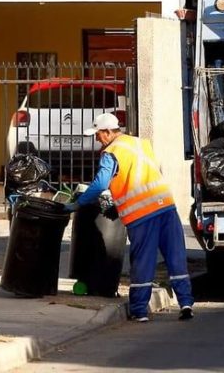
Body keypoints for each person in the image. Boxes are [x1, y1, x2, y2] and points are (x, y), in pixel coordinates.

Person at [64, 113, 194, 322]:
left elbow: (100, 184)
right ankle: (186, 303)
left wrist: (77, 204)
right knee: (176, 257)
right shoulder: (141, 144)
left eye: (97, 134)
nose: (97, 139)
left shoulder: (111, 151)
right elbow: (141, 175)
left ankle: (140, 311)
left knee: (143, 261)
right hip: (166, 207)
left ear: (107, 132)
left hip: (142, 215)